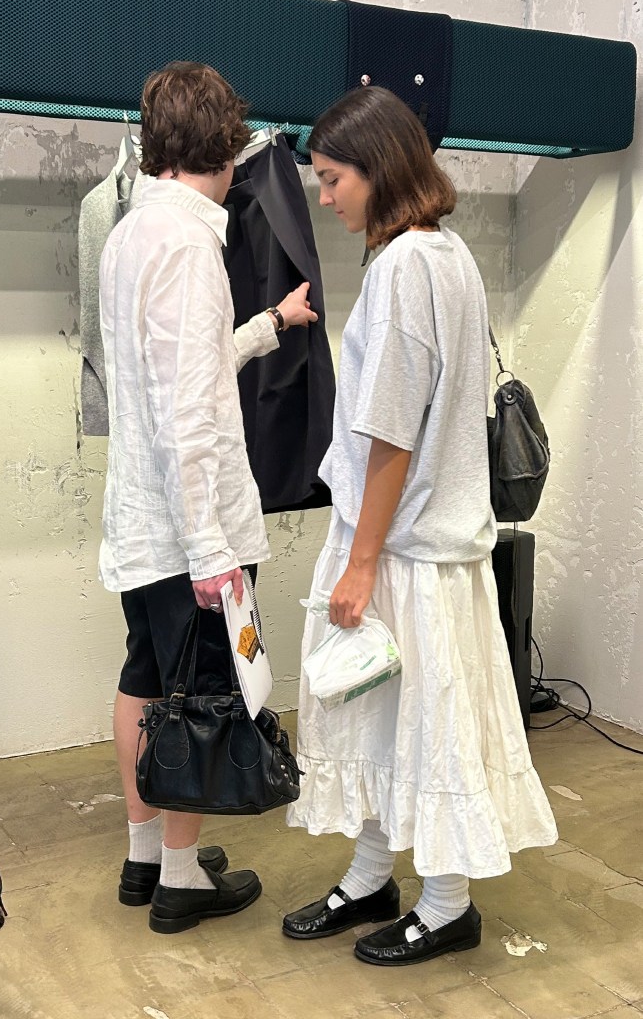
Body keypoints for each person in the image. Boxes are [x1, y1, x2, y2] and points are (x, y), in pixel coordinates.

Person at [283, 86, 558, 965]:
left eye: (333, 178)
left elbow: (390, 431)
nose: (325, 195)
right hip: (423, 541)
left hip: (403, 549)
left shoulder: (405, 266)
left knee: (421, 728)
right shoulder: (445, 253)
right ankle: (372, 877)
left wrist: (359, 563)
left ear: (379, 169)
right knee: (386, 720)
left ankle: (446, 906)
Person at [98, 61, 317, 935]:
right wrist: (211, 551)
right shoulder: (190, 245)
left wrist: (268, 327)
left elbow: (175, 377)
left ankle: (146, 856)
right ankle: (182, 882)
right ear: (224, 147)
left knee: (145, 681)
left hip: (142, 518)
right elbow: (189, 414)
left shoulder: (131, 231)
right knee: (200, 699)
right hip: (190, 527)